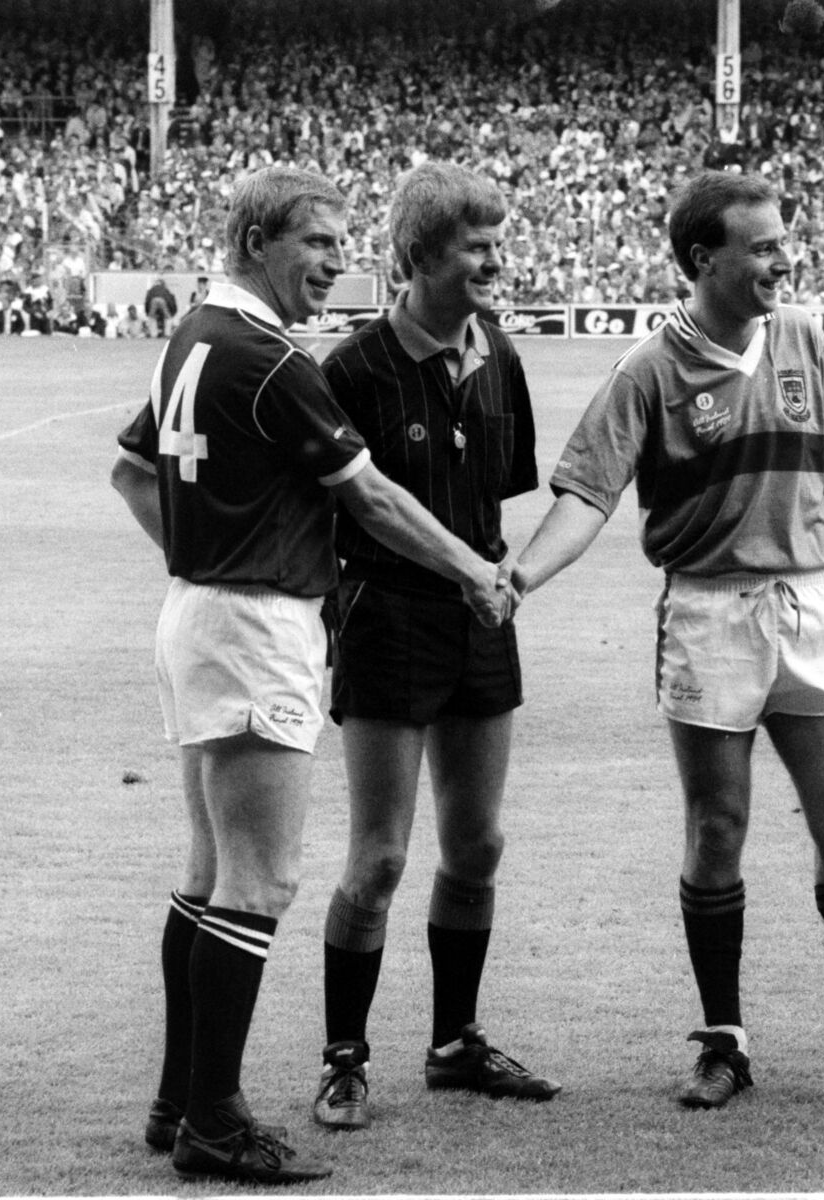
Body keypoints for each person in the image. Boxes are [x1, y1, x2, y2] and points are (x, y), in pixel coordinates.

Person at [508, 169, 824, 1117]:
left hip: (812, 606)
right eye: (762, 246)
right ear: (703, 259)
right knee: (718, 828)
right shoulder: (648, 370)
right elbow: (586, 495)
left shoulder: (804, 340)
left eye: (781, 242)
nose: (782, 259)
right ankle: (724, 1042)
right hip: (709, 611)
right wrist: (523, 575)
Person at [111, 165, 512, 1185]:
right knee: (261, 878)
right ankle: (215, 1118)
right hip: (253, 621)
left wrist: (200, 553)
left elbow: (129, 468)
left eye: (342, 244)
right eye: (319, 243)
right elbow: (370, 499)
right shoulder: (265, 356)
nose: (339, 263)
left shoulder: (191, 335)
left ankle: (176, 1101)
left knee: (208, 874)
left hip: (200, 614)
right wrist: (471, 570)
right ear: (255, 239)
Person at [311, 161, 558, 1134]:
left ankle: (455, 1042)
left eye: (499, 242)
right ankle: (344, 1060)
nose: (494, 262)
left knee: (479, 843)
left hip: (479, 619)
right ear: (417, 259)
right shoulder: (353, 370)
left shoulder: (499, 353)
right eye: (476, 247)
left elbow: (497, 492)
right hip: (385, 623)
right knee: (377, 859)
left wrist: (487, 581)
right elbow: (344, 507)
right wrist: (454, 569)